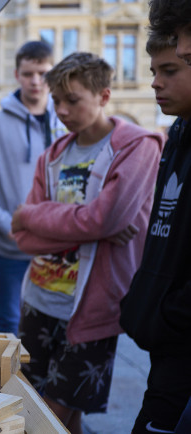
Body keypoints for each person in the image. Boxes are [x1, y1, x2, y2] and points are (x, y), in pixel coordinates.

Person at [10, 51, 162, 433]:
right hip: (39, 299)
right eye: (56, 100)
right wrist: (91, 226)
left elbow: (105, 218)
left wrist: (32, 213)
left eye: (72, 100)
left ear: (104, 96)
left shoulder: (137, 147)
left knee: (41, 419)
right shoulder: (53, 154)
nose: (61, 110)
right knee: (60, 416)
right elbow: (23, 238)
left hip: (91, 310)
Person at [119, 7, 191, 430]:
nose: (154, 82)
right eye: (153, 69)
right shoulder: (177, 135)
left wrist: (168, 315)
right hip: (166, 348)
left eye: (170, 70)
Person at [0, 40, 65, 334]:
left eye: (43, 73)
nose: (36, 81)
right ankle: (4, 382)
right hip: (9, 247)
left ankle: (34, 382)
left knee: (48, 327)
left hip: (56, 248)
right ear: (16, 74)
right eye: (28, 73)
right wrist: (4, 223)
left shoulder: (65, 121)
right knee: (7, 323)